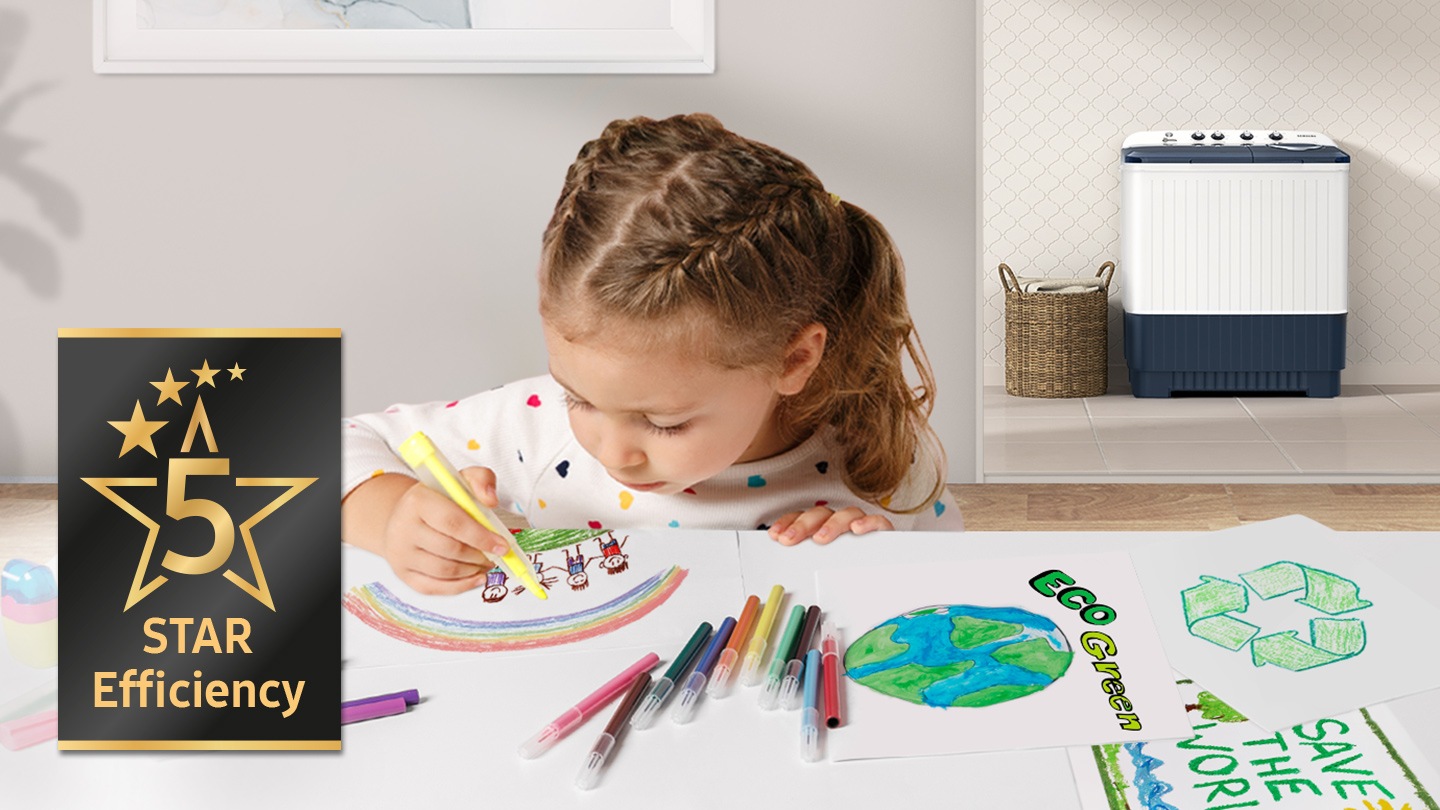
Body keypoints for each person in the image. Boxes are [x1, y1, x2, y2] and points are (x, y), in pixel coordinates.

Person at [341, 113, 963, 594]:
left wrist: (881, 569)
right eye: (578, 397)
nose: (613, 452)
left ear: (794, 360)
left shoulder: (883, 461)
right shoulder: (533, 428)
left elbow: (954, 593)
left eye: (664, 423)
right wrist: (393, 515)